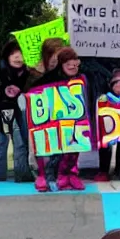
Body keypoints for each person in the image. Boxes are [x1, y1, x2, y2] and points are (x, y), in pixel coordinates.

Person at [31, 47, 86, 191]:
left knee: (74, 147)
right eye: (68, 63)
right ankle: (44, 176)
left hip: (74, 121)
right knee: (48, 148)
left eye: (75, 62)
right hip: (50, 121)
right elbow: (33, 92)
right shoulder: (49, 78)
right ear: (61, 64)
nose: (73, 66)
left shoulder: (82, 78)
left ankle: (69, 175)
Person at [0, 41, 33, 182]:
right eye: (13, 54)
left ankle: (22, 173)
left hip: (19, 112)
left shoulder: (28, 73)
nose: (18, 57)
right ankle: (0, 176)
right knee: (1, 144)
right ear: (7, 57)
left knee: (20, 142)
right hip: (2, 113)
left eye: (21, 54)